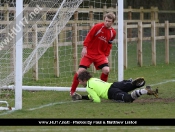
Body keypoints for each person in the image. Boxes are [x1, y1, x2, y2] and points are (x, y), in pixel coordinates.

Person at [70, 12, 117, 96]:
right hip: (89, 53)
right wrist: (85, 47)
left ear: (112, 22)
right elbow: (89, 36)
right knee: (81, 71)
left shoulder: (113, 33)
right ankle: (72, 91)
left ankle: (101, 90)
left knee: (106, 70)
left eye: (109, 21)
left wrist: (106, 56)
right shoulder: (97, 27)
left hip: (100, 55)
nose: (107, 22)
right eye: (106, 20)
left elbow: (109, 44)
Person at [72, 70, 158, 103]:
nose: (79, 83)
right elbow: (95, 93)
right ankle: (138, 83)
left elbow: (97, 100)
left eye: (79, 81)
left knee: (128, 99)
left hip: (111, 93)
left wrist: (91, 101)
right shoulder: (93, 79)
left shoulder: (88, 87)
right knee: (131, 86)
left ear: (84, 80)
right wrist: (82, 97)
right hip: (114, 85)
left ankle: (143, 91)